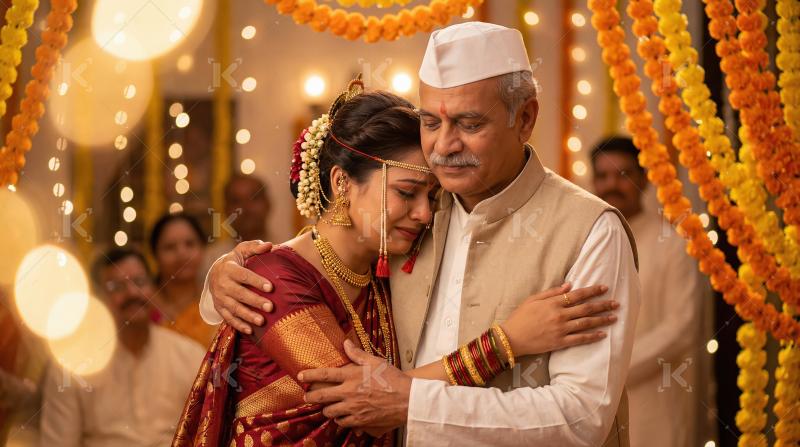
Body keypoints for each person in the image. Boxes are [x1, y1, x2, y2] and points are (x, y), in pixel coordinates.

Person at [201, 22, 641, 446]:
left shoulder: (589, 231)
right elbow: (321, 259)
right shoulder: (418, 208)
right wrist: (222, 276)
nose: (444, 147)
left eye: (470, 125)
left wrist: (411, 401)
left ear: (525, 119)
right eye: (431, 122)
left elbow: (581, 418)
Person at [591, 136, 713, 447]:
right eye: (602, 176)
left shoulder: (671, 244)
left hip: (651, 397)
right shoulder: (587, 242)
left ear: (643, 178)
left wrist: (613, 368)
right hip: (590, 400)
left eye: (622, 175)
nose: (611, 185)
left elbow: (681, 328)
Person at [39, 248, 205, 447]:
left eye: (140, 282)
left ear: (153, 288)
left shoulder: (190, 355)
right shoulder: (70, 366)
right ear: (99, 299)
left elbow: (207, 434)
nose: (132, 293)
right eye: (116, 287)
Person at [150, 212, 215, 347]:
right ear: (155, 254)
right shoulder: (145, 306)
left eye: (190, 244)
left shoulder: (217, 303)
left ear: (202, 249)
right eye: (170, 247)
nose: (182, 254)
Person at [202, 174, 272, 273]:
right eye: (236, 201)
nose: (246, 208)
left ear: (268, 204)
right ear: (225, 210)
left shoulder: (289, 250)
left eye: (254, 198)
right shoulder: (211, 259)